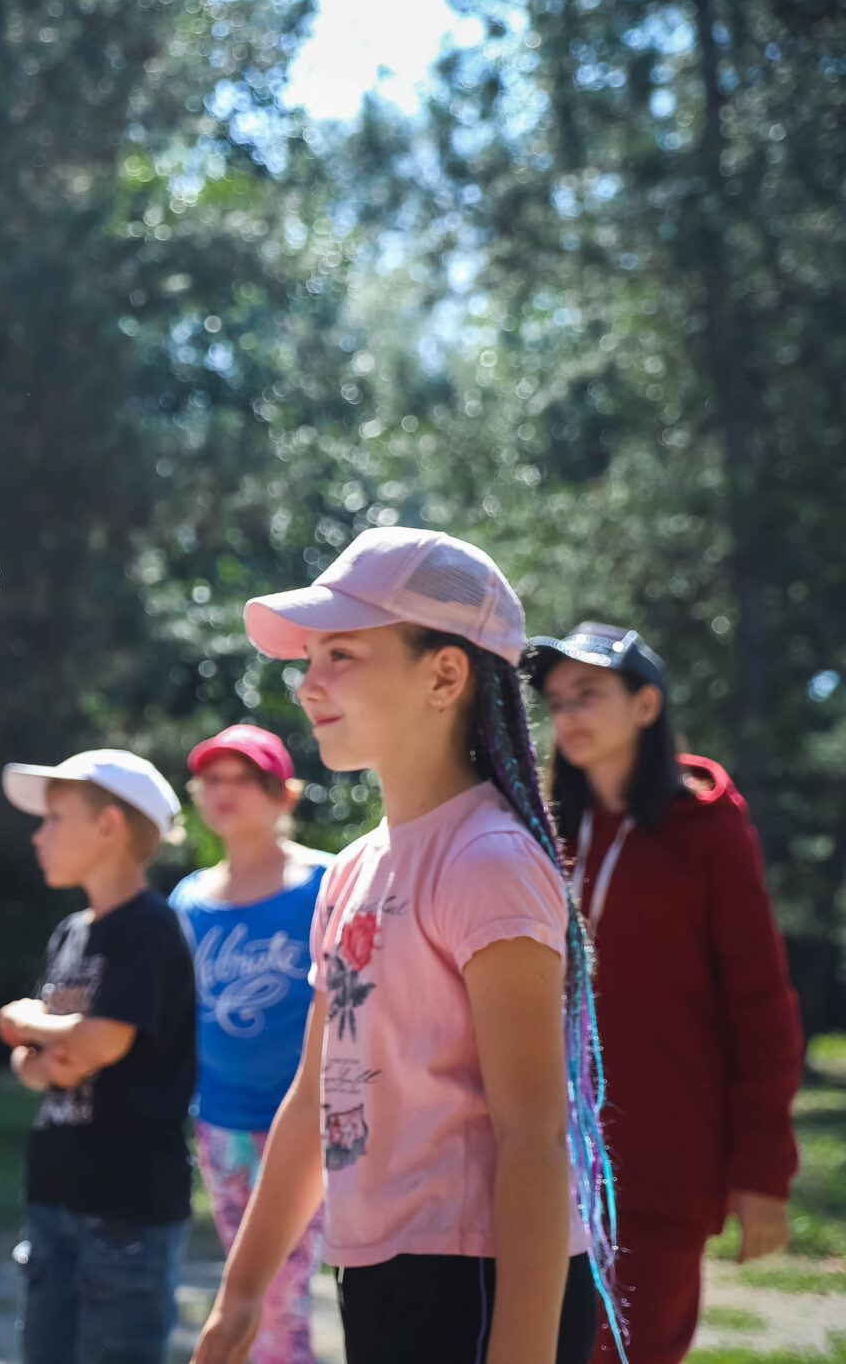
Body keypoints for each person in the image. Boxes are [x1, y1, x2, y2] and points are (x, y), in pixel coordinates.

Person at [193, 527, 620, 1364]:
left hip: (477, 1281)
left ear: (445, 673)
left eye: (341, 654)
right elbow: (315, 1099)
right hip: (376, 1269)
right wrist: (239, 1301)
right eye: (308, 657)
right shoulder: (353, 868)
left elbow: (534, 1139)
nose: (308, 683)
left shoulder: (489, 861)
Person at [528, 621, 802, 1364]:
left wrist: (763, 1173)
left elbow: (761, 1006)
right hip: (540, 1157)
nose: (568, 715)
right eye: (556, 701)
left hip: (660, 1165)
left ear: (646, 705)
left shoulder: (708, 831)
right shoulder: (544, 828)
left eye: (589, 694)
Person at [0, 749, 197, 1364]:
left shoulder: (149, 927)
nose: (39, 834)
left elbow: (100, 1042)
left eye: (55, 818)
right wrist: (46, 1048)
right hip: (55, 1195)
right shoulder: (70, 932)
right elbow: (35, 1064)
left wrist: (18, 1019)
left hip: (126, 1211)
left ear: (108, 826)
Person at [169, 725, 329, 1364]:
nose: (225, 792)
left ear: (283, 795)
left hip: (312, 1122)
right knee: (250, 1276)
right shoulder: (189, 900)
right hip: (224, 1123)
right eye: (212, 780)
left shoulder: (327, 884)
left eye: (243, 779)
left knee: (281, 1288)